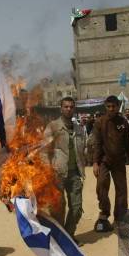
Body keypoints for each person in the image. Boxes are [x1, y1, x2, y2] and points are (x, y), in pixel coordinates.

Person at [43, 97, 86, 240]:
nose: (69, 109)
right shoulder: (53, 127)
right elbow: (44, 151)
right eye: (66, 107)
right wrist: (48, 171)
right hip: (57, 173)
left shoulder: (79, 129)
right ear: (61, 108)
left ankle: (68, 236)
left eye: (71, 107)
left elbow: (82, 149)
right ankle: (59, 237)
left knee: (77, 208)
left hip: (75, 173)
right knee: (58, 208)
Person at [92, 95, 129, 231]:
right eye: (108, 106)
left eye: (114, 106)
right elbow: (97, 144)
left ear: (118, 107)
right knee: (101, 186)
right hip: (104, 161)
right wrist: (95, 162)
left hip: (119, 161)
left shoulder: (123, 122)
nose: (111, 109)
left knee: (121, 190)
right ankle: (104, 214)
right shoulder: (99, 122)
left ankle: (120, 218)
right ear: (105, 107)